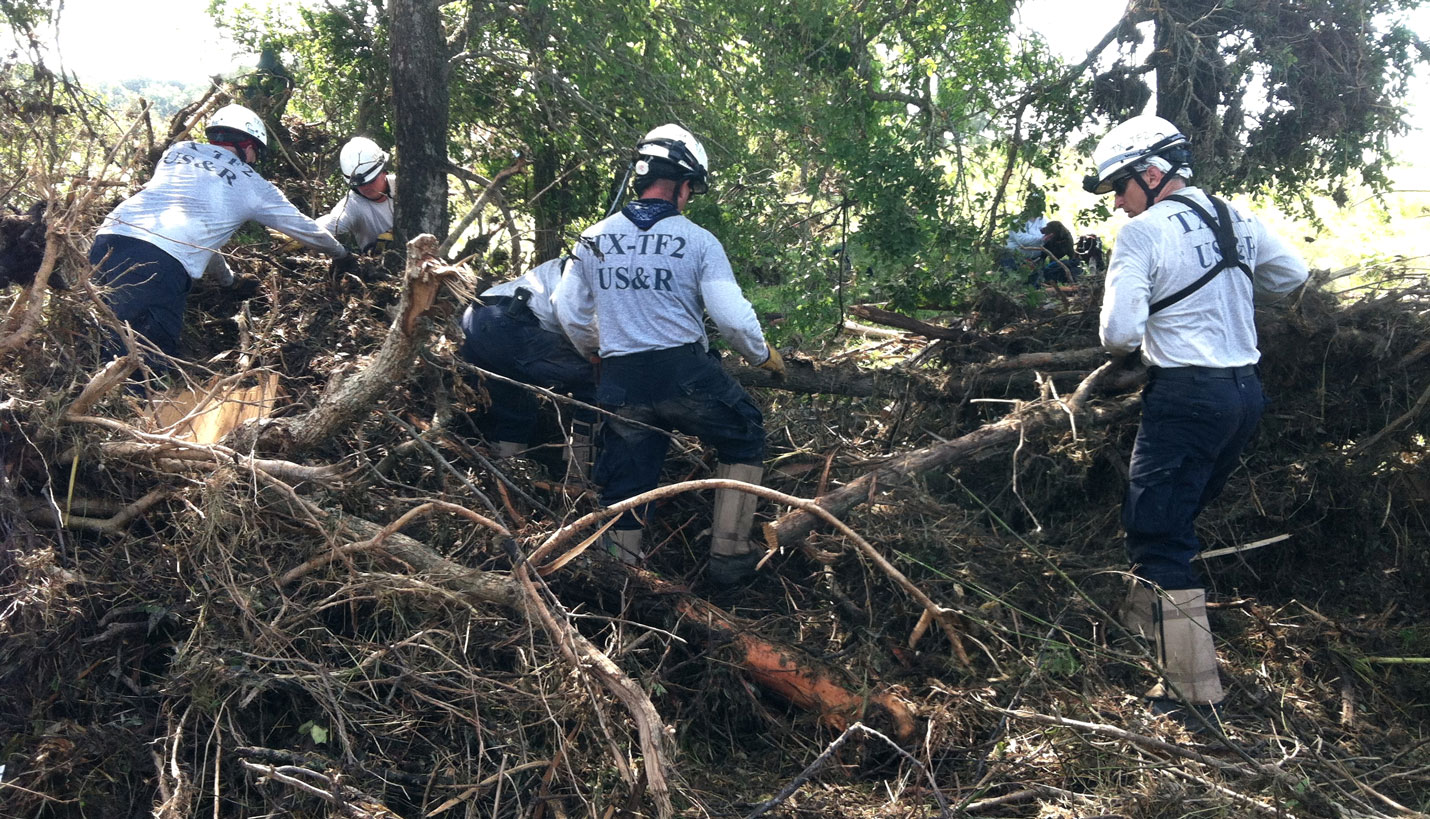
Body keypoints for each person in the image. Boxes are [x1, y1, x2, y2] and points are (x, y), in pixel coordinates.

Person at [1084, 114, 1308, 726]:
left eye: (1122, 189)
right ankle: (1144, 632)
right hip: (1243, 395)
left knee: (1158, 528)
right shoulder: (1236, 216)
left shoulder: (1143, 234)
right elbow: (1294, 276)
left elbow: (1119, 334)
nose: (1121, 205)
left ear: (1153, 174)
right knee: (1170, 515)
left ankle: (1190, 690)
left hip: (1185, 397)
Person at [552, 123, 785, 586]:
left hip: (621, 379)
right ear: (682, 185)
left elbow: (566, 309)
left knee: (628, 478)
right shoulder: (699, 241)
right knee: (744, 434)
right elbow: (733, 320)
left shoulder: (594, 238)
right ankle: (729, 557)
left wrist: (595, 352)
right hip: (684, 375)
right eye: (691, 189)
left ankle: (617, 574)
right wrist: (762, 356)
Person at [89, 103, 350, 374]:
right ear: (249, 146)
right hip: (156, 262)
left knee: (113, 337)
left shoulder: (177, 152)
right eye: (255, 153)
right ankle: (132, 408)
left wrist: (230, 282)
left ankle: (99, 399)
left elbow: (199, 237)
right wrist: (342, 254)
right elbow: (305, 229)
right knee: (146, 365)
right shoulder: (253, 184)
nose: (253, 160)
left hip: (108, 238)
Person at [459, 256, 596, 478]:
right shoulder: (584, 266)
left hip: (476, 321)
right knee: (594, 382)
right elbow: (573, 319)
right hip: (509, 326)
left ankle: (508, 477)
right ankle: (580, 474)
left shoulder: (569, 264)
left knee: (515, 408)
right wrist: (595, 355)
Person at [317, 136, 395, 255]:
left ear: (384, 171)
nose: (365, 188)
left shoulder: (403, 186)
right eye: (359, 185)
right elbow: (329, 224)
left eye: (371, 181)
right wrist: (294, 234)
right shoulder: (352, 205)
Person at [1028, 220, 1079, 286]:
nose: (1044, 229)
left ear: (1056, 230)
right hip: (1052, 253)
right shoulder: (1052, 239)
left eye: (1048, 227)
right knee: (1044, 260)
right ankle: (1045, 278)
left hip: (1059, 252)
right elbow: (1047, 255)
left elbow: (1071, 255)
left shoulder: (1067, 239)